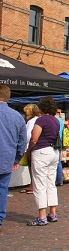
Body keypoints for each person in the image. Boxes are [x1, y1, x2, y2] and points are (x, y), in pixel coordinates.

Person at [27, 96, 60, 226]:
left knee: (39, 184)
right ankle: (53, 212)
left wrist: (29, 150)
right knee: (50, 183)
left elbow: (34, 138)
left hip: (41, 151)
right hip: (53, 151)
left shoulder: (41, 120)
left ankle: (42, 216)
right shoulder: (56, 121)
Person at [0, 85, 26, 230]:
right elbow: (22, 142)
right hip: (6, 158)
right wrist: (17, 158)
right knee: (2, 190)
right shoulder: (17, 116)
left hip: (7, 157)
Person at [21, 103, 41, 194]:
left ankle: (33, 186)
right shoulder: (39, 119)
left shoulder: (31, 121)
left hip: (32, 147)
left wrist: (27, 148)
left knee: (32, 167)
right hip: (38, 147)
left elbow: (28, 136)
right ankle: (33, 185)